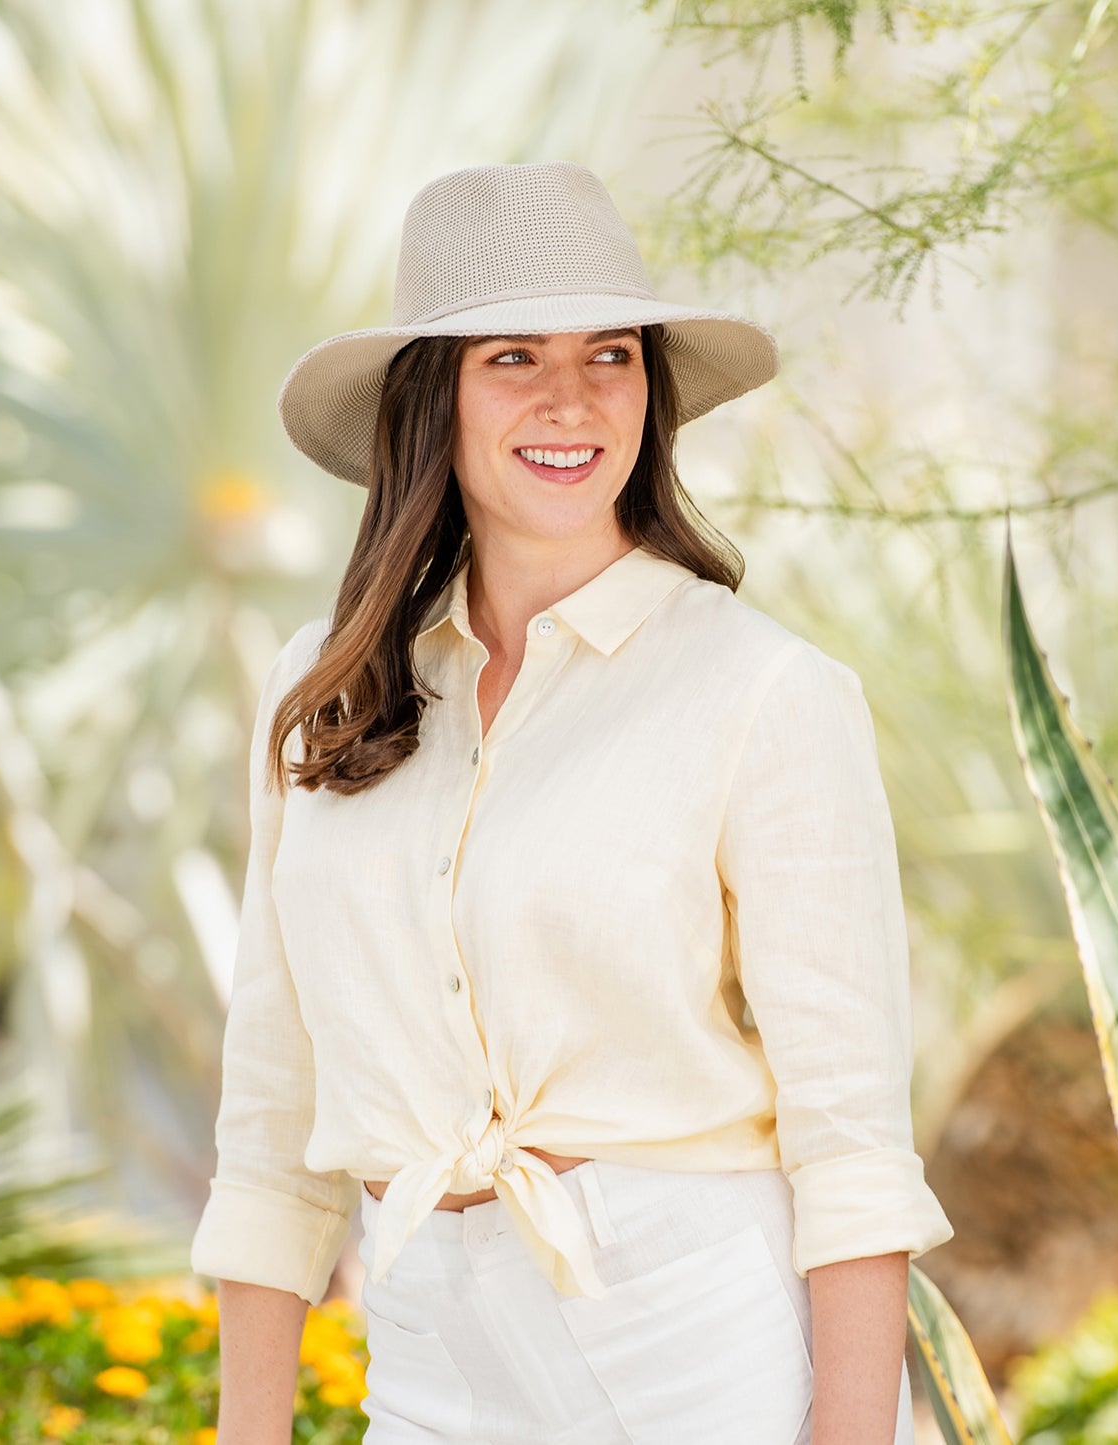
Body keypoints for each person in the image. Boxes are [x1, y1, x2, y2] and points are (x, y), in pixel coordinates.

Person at [190, 160, 954, 1445]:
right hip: (427, 1352)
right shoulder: (320, 692)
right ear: (430, 398)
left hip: (693, 1347)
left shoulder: (762, 690)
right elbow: (270, 1119)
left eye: (611, 353)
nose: (571, 398)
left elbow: (852, 1143)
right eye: (513, 357)